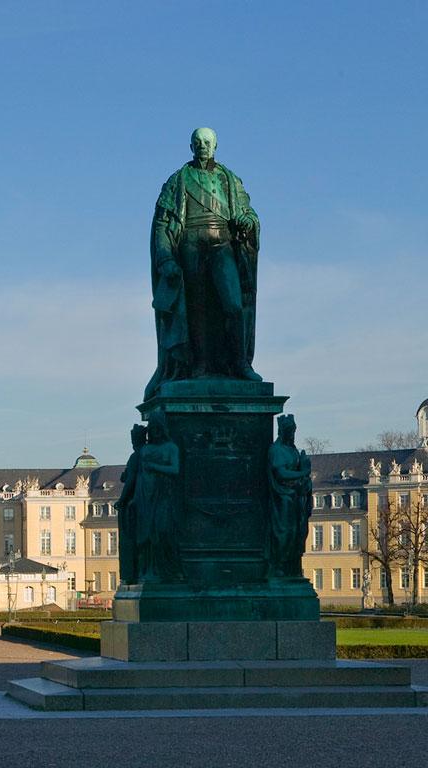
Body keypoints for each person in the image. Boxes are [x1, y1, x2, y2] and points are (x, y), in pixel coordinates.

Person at [145, 127, 262, 400]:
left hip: (222, 244)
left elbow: (249, 212)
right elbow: (162, 224)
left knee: (233, 305)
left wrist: (248, 221)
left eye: (207, 142)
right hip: (189, 245)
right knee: (195, 310)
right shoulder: (178, 180)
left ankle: (240, 364)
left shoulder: (230, 180)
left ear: (216, 145)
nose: (203, 146)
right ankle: (197, 365)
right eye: (198, 142)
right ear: (191, 146)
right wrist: (165, 259)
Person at [134, 411, 182, 582]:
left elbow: (175, 469)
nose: (154, 432)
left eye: (157, 428)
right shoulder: (146, 449)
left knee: (163, 531)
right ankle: (149, 570)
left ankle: (167, 570)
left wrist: (155, 466)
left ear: (163, 428)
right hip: (146, 497)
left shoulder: (171, 448)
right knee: (146, 534)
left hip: (164, 496)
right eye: (151, 429)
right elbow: (139, 475)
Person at [267, 414, 313, 577]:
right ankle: (278, 564)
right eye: (290, 432)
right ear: (282, 432)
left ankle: (292, 564)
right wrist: (303, 471)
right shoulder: (276, 450)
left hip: (296, 497)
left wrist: (303, 462)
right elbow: (281, 473)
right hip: (283, 499)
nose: (292, 435)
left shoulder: (292, 450)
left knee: (298, 532)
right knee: (284, 531)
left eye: (294, 431)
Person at [114, 424, 147, 585]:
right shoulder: (148, 454)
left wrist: (121, 501)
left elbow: (130, 480)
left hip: (137, 502)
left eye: (133, 438)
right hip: (147, 498)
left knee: (130, 538)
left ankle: (132, 573)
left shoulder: (137, 456)